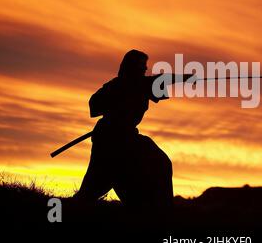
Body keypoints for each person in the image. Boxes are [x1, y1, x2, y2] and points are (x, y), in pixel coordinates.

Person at [74, 49, 192, 220]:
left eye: (145, 66)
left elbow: (164, 79)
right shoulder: (116, 85)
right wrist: (119, 99)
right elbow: (94, 105)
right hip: (109, 138)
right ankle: (65, 213)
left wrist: (186, 78)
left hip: (128, 137)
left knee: (160, 163)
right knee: (95, 185)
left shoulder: (142, 84)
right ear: (131, 67)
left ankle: (161, 210)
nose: (145, 69)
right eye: (142, 66)